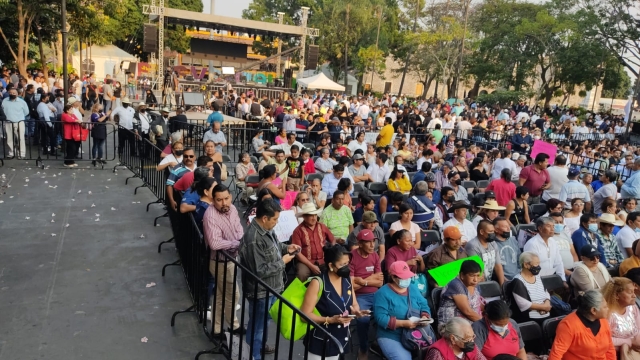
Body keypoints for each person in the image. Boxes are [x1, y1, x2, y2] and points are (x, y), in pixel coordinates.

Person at [239, 199, 300, 359]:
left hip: (273, 288)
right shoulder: (253, 239)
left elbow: (276, 246)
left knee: (264, 324)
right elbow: (259, 271)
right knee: (258, 326)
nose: (276, 222)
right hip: (261, 292)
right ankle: (253, 355)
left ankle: (258, 348)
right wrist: (283, 262)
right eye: (274, 219)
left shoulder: (267, 229)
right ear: (264, 218)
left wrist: (288, 248)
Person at [300, 244, 368, 360]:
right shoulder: (318, 283)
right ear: (331, 265)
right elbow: (304, 315)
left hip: (341, 338)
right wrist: (329, 320)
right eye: (342, 265)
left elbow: (354, 303)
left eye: (347, 264)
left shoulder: (347, 280)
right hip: (321, 341)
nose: (346, 267)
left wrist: (357, 312)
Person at [202, 185, 245, 338]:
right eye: (219, 200)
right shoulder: (210, 216)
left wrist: (237, 240)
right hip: (220, 261)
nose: (224, 202)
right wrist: (235, 243)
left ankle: (219, 327)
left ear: (231, 197)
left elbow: (239, 229)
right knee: (232, 294)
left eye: (226, 198)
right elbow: (215, 243)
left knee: (223, 294)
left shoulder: (232, 208)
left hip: (232, 258)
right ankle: (230, 326)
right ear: (213, 200)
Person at [373, 260, 432, 360]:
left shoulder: (412, 288)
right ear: (393, 277)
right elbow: (380, 318)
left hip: (417, 332)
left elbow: (423, 304)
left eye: (408, 276)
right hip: (392, 336)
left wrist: (424, 316)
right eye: (403, 277)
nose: (407, 279)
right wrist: (403, 323)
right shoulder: (382, 293)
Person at [548, 290, 616, 360]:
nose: (608, 309)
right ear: (593, 311)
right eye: (605, 307)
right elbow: (556, 355)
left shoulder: (603, 321)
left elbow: (610, 349)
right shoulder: (568, 325)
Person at [349, 229, 384, 360]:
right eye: (368, 242)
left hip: (376, 294)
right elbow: (351, 285)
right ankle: (363, 348)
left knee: (388, 314)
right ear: (360, 243)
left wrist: (363, 281)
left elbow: (380, 282)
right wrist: (371, 279)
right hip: (359, 296)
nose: (372, 245)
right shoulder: (352, 256)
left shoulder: (375, 256)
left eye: (373, 241)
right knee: (363, 319)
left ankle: (379, 343)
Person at [292, 203, 336, 281]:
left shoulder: (322, 226)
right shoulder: (297, 231)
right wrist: (311, 266)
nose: (314, 218)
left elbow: (332, 240)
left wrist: (331, 252)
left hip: (323, 260)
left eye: (315, 215)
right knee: (302, 273)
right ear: (304, 217)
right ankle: (303, 293)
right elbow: (297, 253)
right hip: (306, 262)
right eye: (311, 215)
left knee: (335, 269)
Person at [507, 252, 551, 325]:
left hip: (546, 313)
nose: (539, 266)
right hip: (530, 320)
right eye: (536, 264)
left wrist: (547, 303)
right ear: (526, 265)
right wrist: (542, 307)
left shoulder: (538, 277)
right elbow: (524, 304)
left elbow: (546, 293)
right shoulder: (517, 281)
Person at [602, 277, 640, 360]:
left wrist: (637, 342)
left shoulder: (633, 307)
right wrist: (627, 342)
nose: (634, 295)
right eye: (630, 292)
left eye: (634, 292)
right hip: (614, 354)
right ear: (617, 295)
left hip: (634, 351)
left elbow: (638, 328)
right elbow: (603, 339)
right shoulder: (607, 314)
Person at [523, 217, 568, 286]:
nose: (552, 229)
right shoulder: (532, 244)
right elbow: (530, 267)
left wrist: (562, 280)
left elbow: (558, 262)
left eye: (553, 226)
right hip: (536, 282)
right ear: (540, 228)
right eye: (549, 226)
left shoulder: (553, 241)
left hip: (551, 279)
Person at [437, 259, 483, 326]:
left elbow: (479, 304)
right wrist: (486, 324)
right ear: (462, 275)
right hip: (452, 325)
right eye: (472, 275)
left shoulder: (474, 284)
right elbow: (467, 312)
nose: (475, 279)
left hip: (471, 322)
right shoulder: (456, 285)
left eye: (478, 275)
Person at [465, 220, 505, 285]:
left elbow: (498, 266)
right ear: (481, 232)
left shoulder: (493, 243)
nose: (493, 234)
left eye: (493, 231)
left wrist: (502, 286)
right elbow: (478, 271)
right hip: (478, 283)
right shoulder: (472, 246)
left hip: (490, 280)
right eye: (490, 232)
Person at [1, 88, 29, 159]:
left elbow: (26, 112)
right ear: (8, 93)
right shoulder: (5, 101)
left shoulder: (22, 102)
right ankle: (11, 153)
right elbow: (2, 111)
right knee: (9, 138)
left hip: (19, 122)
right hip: (8, 122)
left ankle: (21, 154)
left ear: (17, 94)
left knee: (21, 138)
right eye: (11, 93)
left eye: (14, 93)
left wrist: (19, 117)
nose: (12, 94)